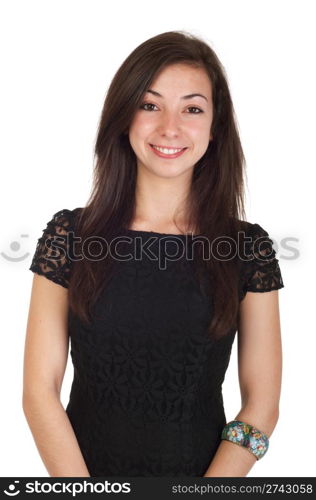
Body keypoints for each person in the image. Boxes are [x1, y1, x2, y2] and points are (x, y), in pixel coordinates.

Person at [22, 30, 284, 477]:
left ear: (214, 128)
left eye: (192, 109)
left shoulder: (247, 249)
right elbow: (38, 392)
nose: (170, 127)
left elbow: (261, 409)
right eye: (150, 105)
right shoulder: (70, 235)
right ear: (125, 118)